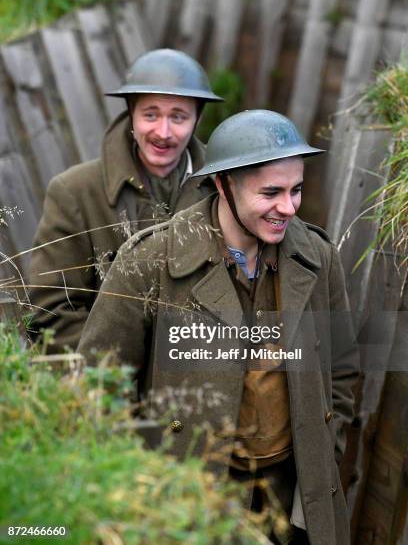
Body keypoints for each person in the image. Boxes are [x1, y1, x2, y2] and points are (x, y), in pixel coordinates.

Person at [78, 110, 359, 544]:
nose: (288, 207)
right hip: (189, 498)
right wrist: (137, 485)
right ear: (225, 185)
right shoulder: (149, 262)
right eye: (271, 192)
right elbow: (98, 387)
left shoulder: (319, 260)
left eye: (296, 190)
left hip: (293, 497)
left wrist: (325, 447)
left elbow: (341, 371)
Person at [28, 48, 222, 351]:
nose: (163, 132)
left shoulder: (226, 187)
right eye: (150, 115)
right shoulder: (75, 192)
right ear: (131, 115)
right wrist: (119, 370)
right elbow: (50, 313)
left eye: (179, 117)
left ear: (197, 119)